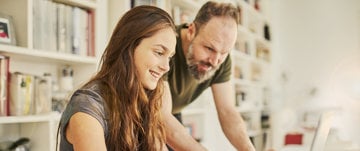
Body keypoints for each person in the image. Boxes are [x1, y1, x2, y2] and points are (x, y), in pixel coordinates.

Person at [57, 5, 176, 151]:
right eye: (159, 52)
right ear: (129, 47)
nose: (166, 67)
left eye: (169, 57)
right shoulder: (88, 106)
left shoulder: (145, 101)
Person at [162, 1, 256, 151]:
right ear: (191, 31)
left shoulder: (220, 61)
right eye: (209, 48)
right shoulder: (165, 46)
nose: (214, 61)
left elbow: (227, 111)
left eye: (224, 52)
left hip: (173, 113)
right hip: (139, 112)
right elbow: (162, 118)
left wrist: (249, 149)